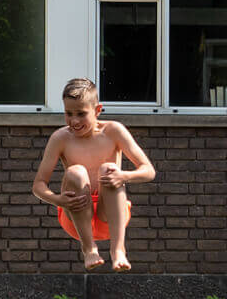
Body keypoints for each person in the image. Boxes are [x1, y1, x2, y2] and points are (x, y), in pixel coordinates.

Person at [30, 78, 155, 272]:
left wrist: (124, 176)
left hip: (112, 215)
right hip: (76, 215)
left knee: (109, 169)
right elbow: (38, 185)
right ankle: (89, 249)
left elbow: (148, 170)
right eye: (68, 113)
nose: (74, 121)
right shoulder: (60, 138)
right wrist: (58, 200)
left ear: (97, 110)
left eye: (81, 114)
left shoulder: (113, 131)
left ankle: (118, 250)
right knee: (76, 172)